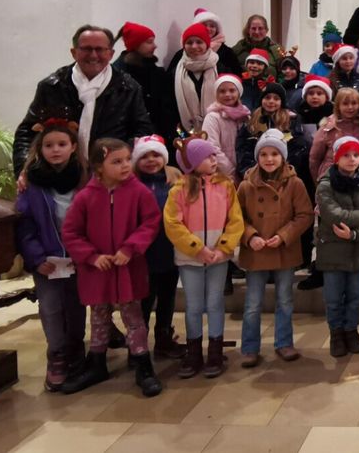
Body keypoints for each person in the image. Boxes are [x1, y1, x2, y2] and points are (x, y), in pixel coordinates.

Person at [59, 138, 163, 396]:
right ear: (99, 166)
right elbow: (71, 232)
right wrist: (91, 256)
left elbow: (150, 222)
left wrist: (130, 248)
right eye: (116, 161)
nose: (126, 165)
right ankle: (96, 363)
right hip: (99, 270)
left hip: (128, 267)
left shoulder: (139, 192)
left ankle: (142, 363)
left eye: (127, 159)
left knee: (134, 316)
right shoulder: (85, 197)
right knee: (99, 316)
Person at [14, 116, 90, 392]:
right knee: (50, 307)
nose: (55, 150)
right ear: (40, 149)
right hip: (47, 260)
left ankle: (75, 349)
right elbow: (24, 223)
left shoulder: (85, 179)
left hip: (79, 258)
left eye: (61, 144)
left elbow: (94, 219)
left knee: (76, 305)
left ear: (73, 147)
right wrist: (36, 258)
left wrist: (86, 253)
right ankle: (56, 354)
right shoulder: (31, 183)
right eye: (49, 145)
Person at [14, 25, 154, 174]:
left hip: (111, 177)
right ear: (74, 52)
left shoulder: (128, 88)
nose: (93, 55)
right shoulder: (52, 86)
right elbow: (27, 132)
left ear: (111, 54)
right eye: (86, 49)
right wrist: (24, 169)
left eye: (100, 49)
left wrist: (119, 159)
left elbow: (142, 131)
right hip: (59, 176)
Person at [163, 134, 244, 379]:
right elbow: (173, 224)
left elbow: (235, 220)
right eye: (207, 156)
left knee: (215, 303)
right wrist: (197, 248)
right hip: (191, 258)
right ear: (191, 163)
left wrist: (223, 248)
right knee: (194, 306)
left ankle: (216, 351)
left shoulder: (225, 185)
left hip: (218, 257)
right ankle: (194, 351)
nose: (213, 159)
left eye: (213, 154)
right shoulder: (179, 189)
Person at [236, 129, 313, 367]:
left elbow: (304, 215)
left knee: (285, 300)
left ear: (283, 157)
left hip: (283, 250)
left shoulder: (295, 183)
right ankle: (249, 347)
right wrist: (250, 237)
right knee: (252, 304)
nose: (269, 159)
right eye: (264, 154)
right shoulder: (247, 185)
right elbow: (236, 218)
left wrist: (283, 235)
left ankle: (284, 343)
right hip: (257, 251)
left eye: (275, 154)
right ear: (257, 157)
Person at [315, 135, 359, 357]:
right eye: (346, 155)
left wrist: (354, 233)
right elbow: (333, 214)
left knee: (355, 296)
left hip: (358, 250)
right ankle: (336, 334)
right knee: (333, 298)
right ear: (336, 158)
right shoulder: (325, 185)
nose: (352, 160)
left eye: (355, 155)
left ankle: (351, 331)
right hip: (332, 249)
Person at [303, 86, 359, 290]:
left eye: (354, 103)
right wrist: (321, 182)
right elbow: (314, 158)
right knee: (328, 228)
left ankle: (351, 268)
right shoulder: (328, 127)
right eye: (345, 103)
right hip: (331, 182)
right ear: (338, 106)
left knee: (350, 226)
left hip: (356, 182)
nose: (350, 107)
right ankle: (321, 269)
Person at [130, 135, 186, 362]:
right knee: (143, 300)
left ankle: (163, 338)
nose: (151, 160)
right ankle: (137, 347)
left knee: (167, 297)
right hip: (143, 253)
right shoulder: (132, 185)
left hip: (169, 249)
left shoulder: (174, 180)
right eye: (144, 156)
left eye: (155, 155)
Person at [235, 82, 311, 186]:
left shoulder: (291, 121)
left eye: (276, 98)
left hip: (283, 176)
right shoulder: (251, 121)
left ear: (282, 101)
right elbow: (243, 148)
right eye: (267, 97)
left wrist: (286, 170)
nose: (271, 101)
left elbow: (297, 147)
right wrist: (249, 170)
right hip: (256, 176)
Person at [113, 22, 175, 141]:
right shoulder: (118, 74)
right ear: (135, 45)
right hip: (128, 139)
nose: (155, 46)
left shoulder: (157, 73)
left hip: (156, 138)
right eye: (149, 42)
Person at [169, 22, 222, 133]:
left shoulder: (220, 68)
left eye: (199, 42)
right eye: (189, 42)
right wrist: (182, 135)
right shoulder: (175, 71)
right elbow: (170, 107)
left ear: (206, 44)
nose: (194, 46)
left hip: (217, 130)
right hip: (185, 132)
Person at [165, 8, 242, 76]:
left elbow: (237, 76)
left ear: (217, 29)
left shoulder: (227, 52)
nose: (208, 29)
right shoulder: (182, 54)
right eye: (204, 25)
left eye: (212, 26)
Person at [201, 74, 249, 179]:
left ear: (239, 92)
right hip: (223, 175)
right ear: (216, 94)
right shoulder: (212, 117)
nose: (227, 94)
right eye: (222, 91)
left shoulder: (245, 116)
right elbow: (212, 148)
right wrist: (231, 173)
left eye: (232, 90)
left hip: (245, 173)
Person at [294, 76, 335, 143]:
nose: (315, 97)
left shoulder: (332, 113)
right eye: (311, 93)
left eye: (319, 94)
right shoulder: (301, 110)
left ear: (326, 97)